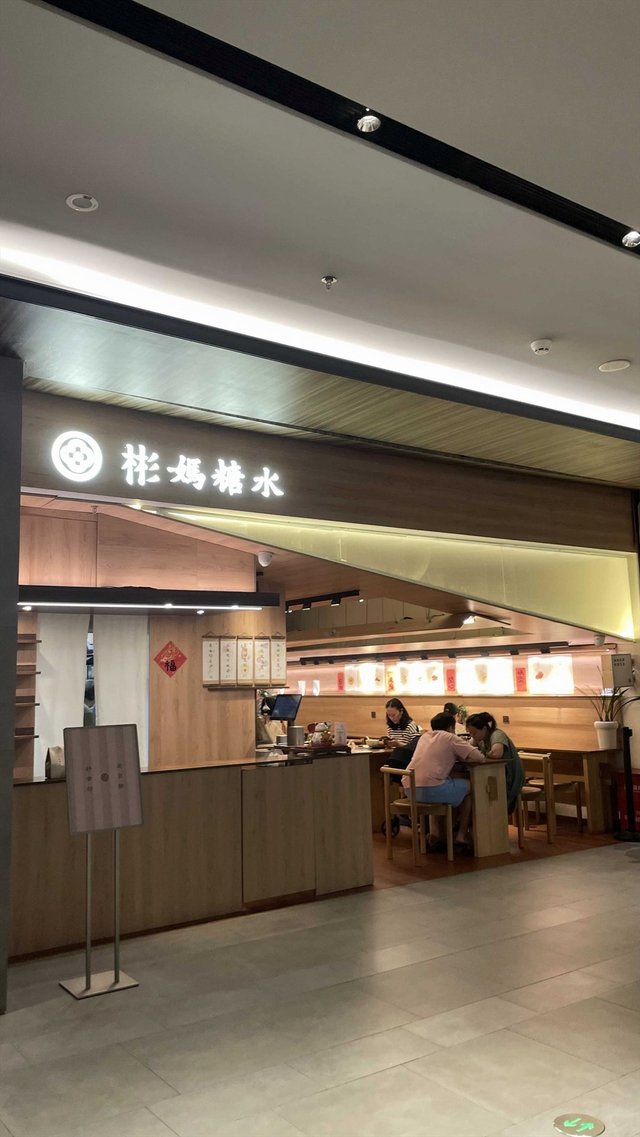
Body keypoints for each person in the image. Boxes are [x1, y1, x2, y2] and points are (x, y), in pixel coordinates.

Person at [402, 711, 485, 848]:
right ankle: (461, 835)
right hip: (431, 790)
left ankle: (435, 834)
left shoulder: (424, 737)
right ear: (451, 727)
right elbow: (479, 757)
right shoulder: (451, 738)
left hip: (410, 789)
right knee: (470, 787)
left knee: (440, 783)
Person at [466, 712, 525, 814]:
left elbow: (496, 753)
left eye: (474, 733)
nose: (472, 736)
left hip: (509, 778)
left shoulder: (497, 734)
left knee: (478, 791)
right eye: (470, 733)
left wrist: (479, 754)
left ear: (484, 729)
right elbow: (468, 749)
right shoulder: (480, 738)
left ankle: (489, 818)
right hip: (496, 776)